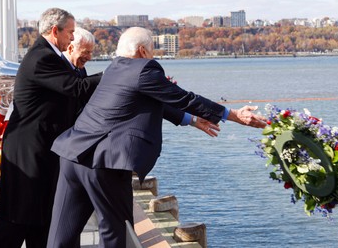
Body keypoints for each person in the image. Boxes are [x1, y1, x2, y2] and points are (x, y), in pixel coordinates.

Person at [47, 27, 267, 247]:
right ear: (143, 51)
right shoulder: (144, 68)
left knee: (62, 233)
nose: (153, 56)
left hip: (72, 155)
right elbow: (184, 98)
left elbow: (153, 101)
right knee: (116, 232)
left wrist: (191, 120)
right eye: (152, 51)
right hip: (104, 163)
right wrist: (233, 115)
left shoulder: (114, 68)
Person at [0, 8, 102, 248]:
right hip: (29, 151)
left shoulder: (51, 57)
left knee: (40, 218)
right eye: (70, 32)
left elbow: (72, 99)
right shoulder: (42, 57)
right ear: (55, 31)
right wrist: (117, 72)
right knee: (16, 219)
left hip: (39, 149)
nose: (72, 38)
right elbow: (77, 88)